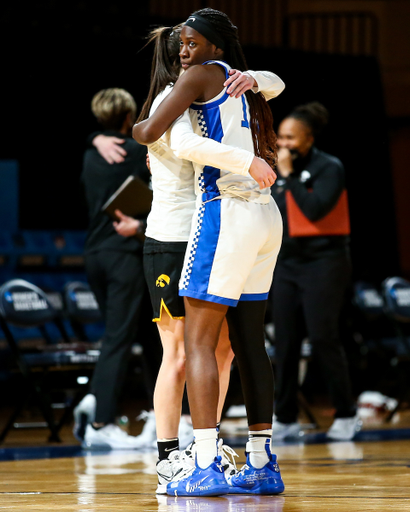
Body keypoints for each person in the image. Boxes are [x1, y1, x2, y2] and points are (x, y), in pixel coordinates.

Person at [96, 23, 285, 493]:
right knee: (179, 352)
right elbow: (169, 141)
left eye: (191, 45)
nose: (185, 53)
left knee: (222, 352)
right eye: (179, 46)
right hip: (173, 238)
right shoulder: (171, 102)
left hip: (215, 230)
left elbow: (273, 84)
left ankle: (209, 446)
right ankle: (170, 453)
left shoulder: (213, 94)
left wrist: (254, 76)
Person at [75, 88, 163, 450]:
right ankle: (100, 421)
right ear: (129, 118)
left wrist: (94, 138)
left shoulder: (89, 156)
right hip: (124, 255)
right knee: (118, 338)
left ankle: (162, 416)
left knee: (150, 334)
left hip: (94, 254)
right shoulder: (138, 152)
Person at [270, 101, 362, 441]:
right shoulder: (276, 169)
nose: (283, 144)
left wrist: (290, 175)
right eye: (280, 137)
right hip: (287, 264)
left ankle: (346, 413)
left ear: (308, 138)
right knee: (286, 343)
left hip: (325, 262)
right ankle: (285, 417)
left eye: (291, 138)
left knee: (324, 337)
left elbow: (313, 210)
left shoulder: (329, 167)